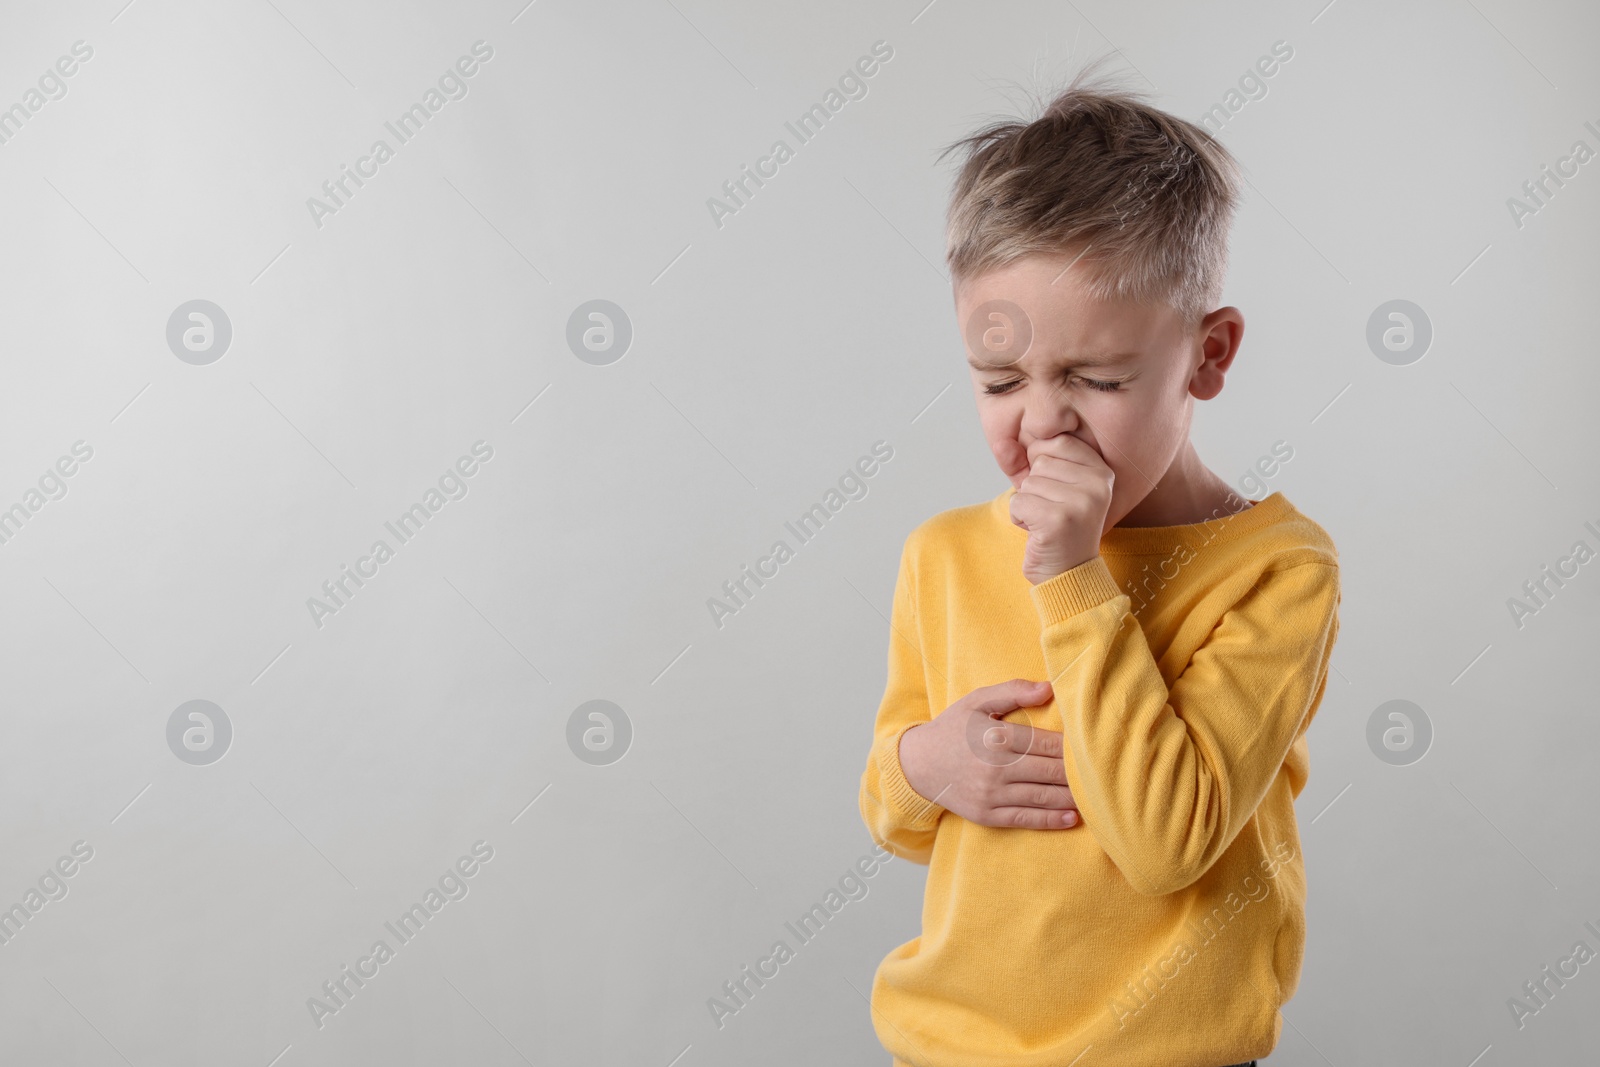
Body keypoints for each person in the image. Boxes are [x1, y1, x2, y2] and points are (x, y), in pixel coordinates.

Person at [857, 58, 1341, 1067]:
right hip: (948, 1043)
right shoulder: (941, 553)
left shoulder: (1276, 570)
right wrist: (920, 765)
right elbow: (898, 815)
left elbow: (1167, 840)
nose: (1040, 422)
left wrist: (1072, 574)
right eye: (999, 381)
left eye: (1094, 376)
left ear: (1208, 355)